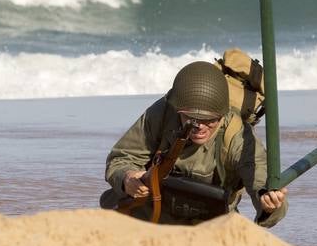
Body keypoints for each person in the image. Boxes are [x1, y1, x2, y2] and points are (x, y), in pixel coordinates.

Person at [101, 60, 288, 227]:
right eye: (191, 118)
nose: (199, 126)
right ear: (178, 110)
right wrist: (127, 178)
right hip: (154, 213)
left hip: (210, 225)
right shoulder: (163, 113)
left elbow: (260, 180)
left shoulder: (237, 135)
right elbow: (121, 158)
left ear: (222, 115)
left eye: (210, 120)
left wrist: (269, 204)